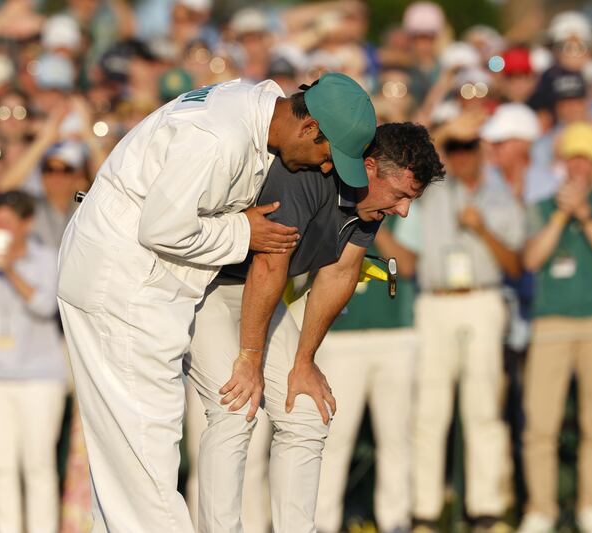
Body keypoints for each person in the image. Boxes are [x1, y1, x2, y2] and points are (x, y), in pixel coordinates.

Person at [56, 72, 376, 532]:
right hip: (123, 288)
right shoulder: (219, 136)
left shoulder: (247, 107)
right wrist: (244, 232)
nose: (327, 170)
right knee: (146, 456)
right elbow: (162, 229)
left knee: (130, 465)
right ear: (309, 128)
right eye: (329, 156)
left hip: (131, 283)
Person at [185, 122, 444, 533]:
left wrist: (304, 361)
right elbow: (269, 265)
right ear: (370, 167)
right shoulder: (306, 176)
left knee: (308, 412)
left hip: (260, 297)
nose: (403, 211)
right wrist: (250, 359)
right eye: (400, 196)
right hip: (205, 287)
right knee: (234, 409)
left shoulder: (369, 204)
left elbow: (341, 273)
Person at [399, 116, 524, 533]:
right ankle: (425, 512)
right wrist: (448, 133)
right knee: (429, 411)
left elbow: (514, 264)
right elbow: (419, 153)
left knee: (482, 408)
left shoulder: (501, 197)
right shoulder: (431, 193)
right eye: (455, 149)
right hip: (435, 302)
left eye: (469, 149)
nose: (462, 156)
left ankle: (485, 509)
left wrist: (482, 229)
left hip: (483, 298)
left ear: (480, 153)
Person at [518, 123, 592, 533]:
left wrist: (586, 215)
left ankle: (591, 506)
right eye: (573, 158)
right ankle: (541, 509)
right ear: (562, 162)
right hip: (552, 321)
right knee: (540, 424)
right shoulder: (541, 207)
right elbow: (532, 260)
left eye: (586, 158)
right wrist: (564, 216)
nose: (579, 166)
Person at [0, 191, 66, 533]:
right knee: (0, 467)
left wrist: (9, 269)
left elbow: (44, 306)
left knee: (38, 464)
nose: (0, 229)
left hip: (40, 376)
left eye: (7, 222)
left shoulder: (47, 258)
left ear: (26, 224)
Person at [314, 213, 418, 533]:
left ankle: (395, 521)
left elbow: (408, 266)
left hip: (396, 338)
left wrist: (377, 229)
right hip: (340, 338)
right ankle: (321, 523)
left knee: (396, 437)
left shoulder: (402, 213)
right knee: (332, 440)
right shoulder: (334, 213)